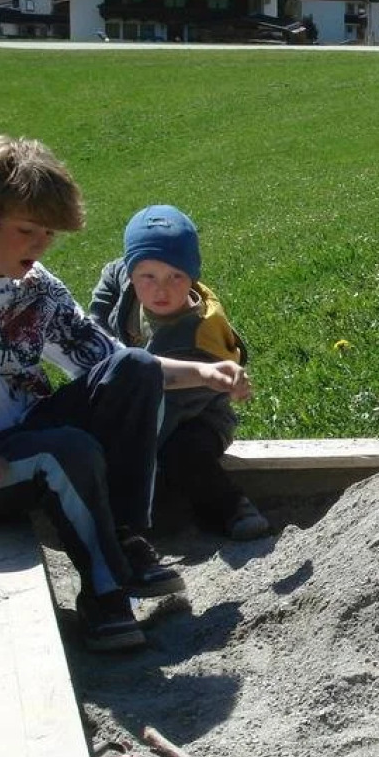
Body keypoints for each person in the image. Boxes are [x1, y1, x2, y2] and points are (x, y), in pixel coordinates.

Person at [0, 136, 249, 652]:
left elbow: (110, 362)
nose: (41, 244)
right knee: (66, 449)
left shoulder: (34, 283)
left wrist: (205, 373)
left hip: (32, 434)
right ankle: (104, 595)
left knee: (133, 368)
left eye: (49, 233)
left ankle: (126, 537)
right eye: (27, 230)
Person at [90, 204, 267, 541]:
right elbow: (111, 277)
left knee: (183, 454)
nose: (161, 290)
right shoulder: (126, 280)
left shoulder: (198, 338)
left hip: (195, 418)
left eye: (176, 277)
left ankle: (232, 508)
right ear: (133, 272)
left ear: (192, 276)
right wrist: (97, 327)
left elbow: (166, 414)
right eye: (148, 277)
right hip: (137, 400)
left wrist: (125, 455)